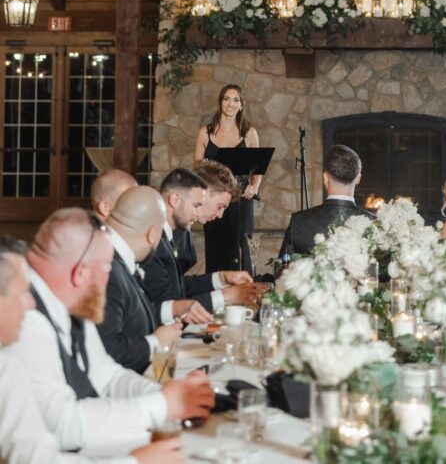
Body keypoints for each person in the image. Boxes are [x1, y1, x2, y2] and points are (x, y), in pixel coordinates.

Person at [6, 208, 214, 456]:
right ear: (80, 273)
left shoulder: (72, 299)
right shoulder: (24, 320)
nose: (110, 279)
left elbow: (106, 374)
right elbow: (60, 428)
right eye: (106, 268)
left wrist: (167, 396)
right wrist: (161, 406)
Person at [140, 167, 259, 325]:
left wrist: (222, 278)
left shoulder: (168, 235)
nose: (220, 215)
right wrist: (225, 296)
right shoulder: (152, 241)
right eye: (197, 204)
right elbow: (165, 305)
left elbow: (178, 286)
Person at [98, 186, 182, 374]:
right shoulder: (106, 267)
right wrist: (156, 343)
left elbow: (130, 315)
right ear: (153, 234)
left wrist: (173, 311)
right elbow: (106, 349)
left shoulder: (114, 254)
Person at [194, 84, 262, 274]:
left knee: (241, 250)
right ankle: (216, 295)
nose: (230, 104)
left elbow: (258, 168)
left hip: (241, 201)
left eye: (235, 100)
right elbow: (197, 168)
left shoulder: (249, 133)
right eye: (226, 99)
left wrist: (254, 187)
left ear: (241, 105)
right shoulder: (204, 133)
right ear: (220, 102)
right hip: (214, 202)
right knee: (216, 249)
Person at [278, 144, 374, 259]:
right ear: (358, 178)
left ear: (325, 178)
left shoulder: (298, 221)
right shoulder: (373, 223)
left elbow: (283, 270)